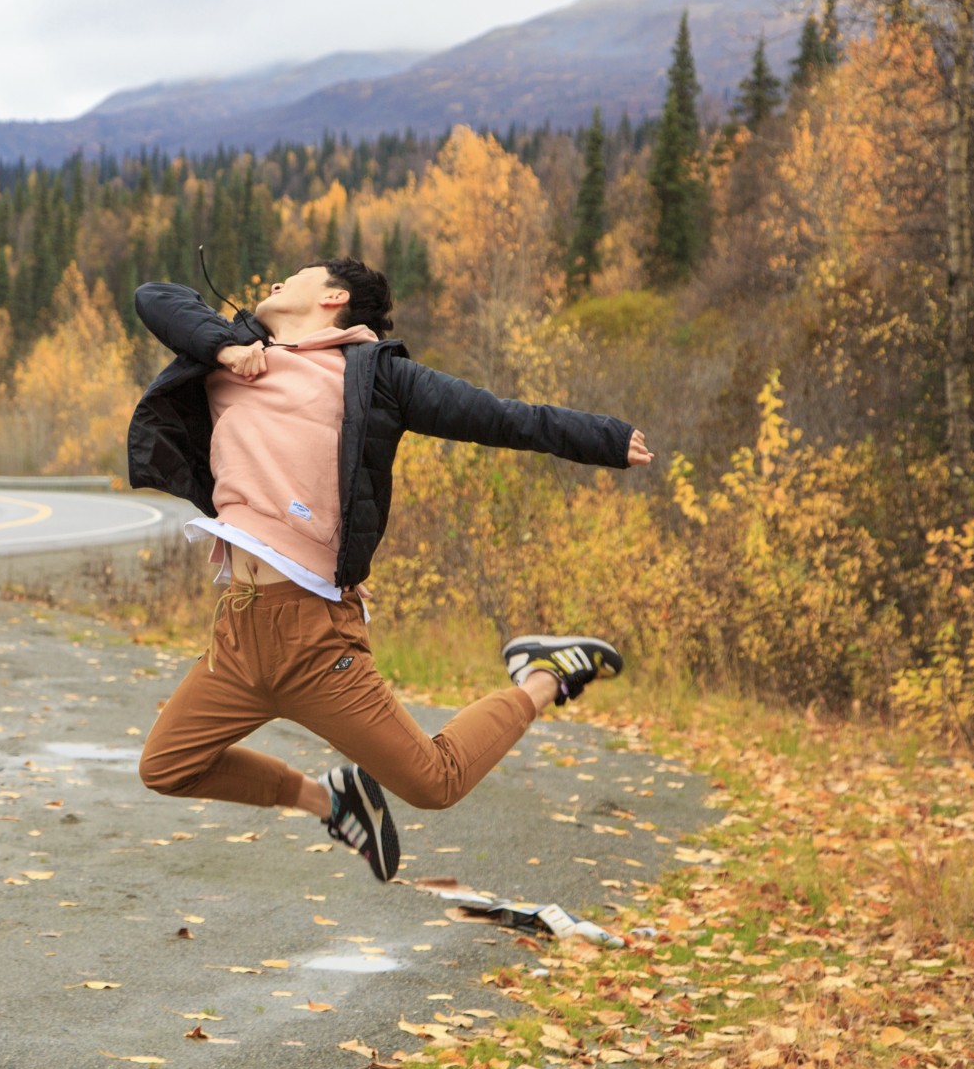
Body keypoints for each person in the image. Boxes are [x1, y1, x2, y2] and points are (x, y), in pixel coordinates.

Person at [126, 259, 655, 882]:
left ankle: (545, 676)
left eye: (291, 278)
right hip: (237, 635)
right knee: (166, 767)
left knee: (436, 782)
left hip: (315, 639)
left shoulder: (376, 378)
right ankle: (333, 800)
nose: (272, 285)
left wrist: (604, 437)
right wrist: (226, 346)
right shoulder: (232, 352)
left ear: (333, 296)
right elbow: (156, 295)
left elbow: (499, 415)